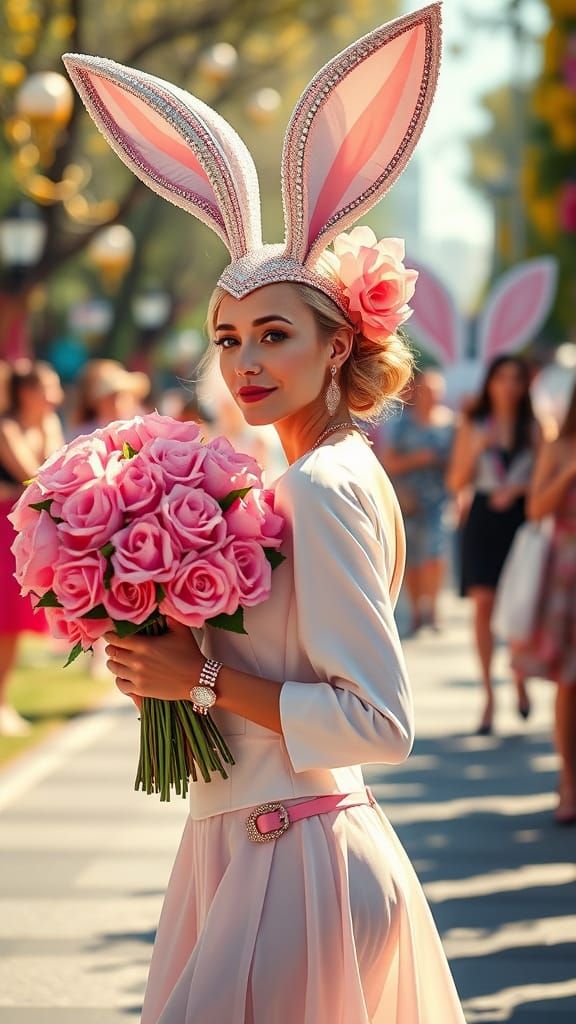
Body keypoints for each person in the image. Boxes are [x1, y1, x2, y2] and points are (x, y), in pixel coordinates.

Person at [66, 6, 466, 1021]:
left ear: (337, 346)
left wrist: (194, 676)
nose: (245, 360)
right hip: (260, 845)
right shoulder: (308, 472)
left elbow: (378, 721)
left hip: (296, 859)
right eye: (229, 336)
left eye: (274, 334)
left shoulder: (323, 486)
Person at [447, 355, 541, 735]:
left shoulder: (534, 427)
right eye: (501, 378)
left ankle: (519, 676)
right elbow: (455, 482)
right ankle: (489, 694)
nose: (508, 386)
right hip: (483, 517)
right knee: (483, 603)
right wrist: (475, 448)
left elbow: (548, 479)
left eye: (516, 379)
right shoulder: (473, 423)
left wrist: (518, 488)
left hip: (521, 519)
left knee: (518, 604)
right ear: (490, 382)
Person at [512, 379, 576, 824]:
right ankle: (568, 782)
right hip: (566, 577)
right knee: (569, 684)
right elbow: (536, 509)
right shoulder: (560, 445)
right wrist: (571, 472)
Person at [0, 361, 64, 735]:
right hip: (5, 528)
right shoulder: (7, 428)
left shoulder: (47, 424)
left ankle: (4, 701)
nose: (55, 397)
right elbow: (33, 476)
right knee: (5, 620)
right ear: (27, 393)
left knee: (11, 624)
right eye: (47, 388)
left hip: (22, 530)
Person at [379, 370, 454, 634]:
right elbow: (387, 462)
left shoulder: (449, 424)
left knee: (435, 556)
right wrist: (418, 459)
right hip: (408, 502)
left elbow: (461, 463)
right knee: (411, 558)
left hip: (439, 501)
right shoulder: (401, 425)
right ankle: (414, 609)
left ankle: (432, 609)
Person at [68, 358, 150, 438]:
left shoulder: (143, 428)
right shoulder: (84, 437)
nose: (117, 403)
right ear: (97, 403)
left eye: (123, 395)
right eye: (110, 398)